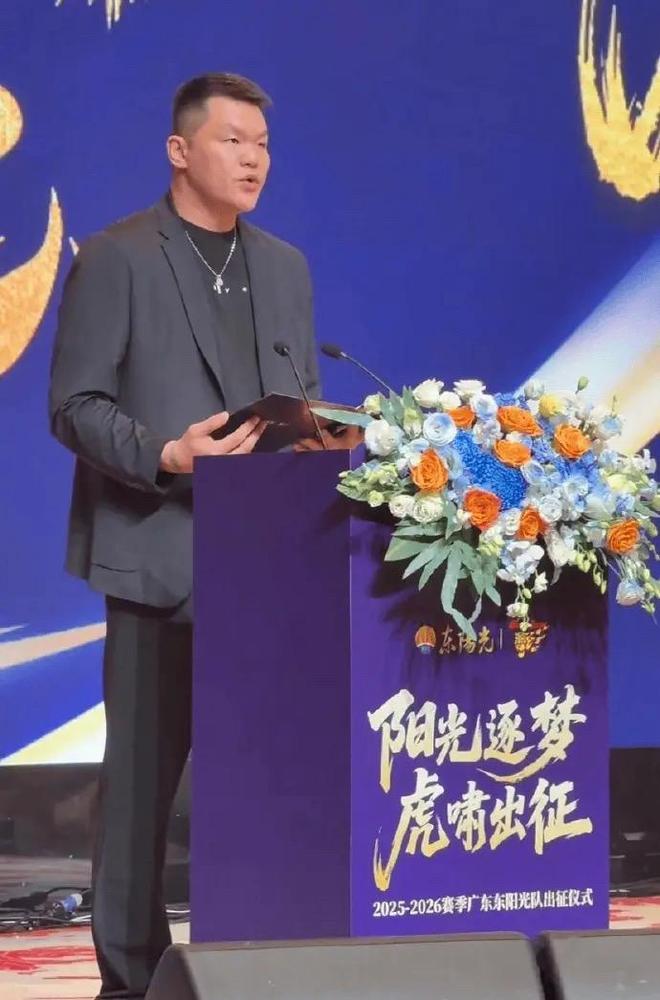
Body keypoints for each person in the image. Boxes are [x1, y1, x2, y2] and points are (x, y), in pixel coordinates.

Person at [49, 72, 327, 999]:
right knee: (139, 789)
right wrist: (166, 453)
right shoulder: (118, 258)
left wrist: (328, 438)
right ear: (180, 150)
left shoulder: (284, 267)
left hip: (269, 564)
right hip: (157, 554)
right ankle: (130, 982)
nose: (254, 160)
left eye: (263, 145)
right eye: (233, 141)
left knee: (267, 780)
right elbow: (74, 404)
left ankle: (259, 964)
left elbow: (297, 400)